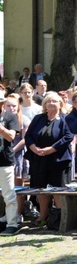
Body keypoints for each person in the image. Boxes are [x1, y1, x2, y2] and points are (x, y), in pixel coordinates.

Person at [25, 92, 74, 226]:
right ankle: (43, 214)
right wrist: (34, 148)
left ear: (60, 104)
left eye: (55, 101)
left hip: (58, 160)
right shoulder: (38, 118)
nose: (51, 104)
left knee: (57, 189)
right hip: (39, 158)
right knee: (41, 188)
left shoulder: (65, 119)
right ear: (45, 105)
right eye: (48, 101)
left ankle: (59, 218)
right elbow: (28, 135)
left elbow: (68, 137)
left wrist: (51, 149)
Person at [0, 100, 22, 235]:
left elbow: (11, 137)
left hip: (4, 161)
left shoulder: (10, 117)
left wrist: (1, 128)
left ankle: (12, 224)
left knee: (8, 194)